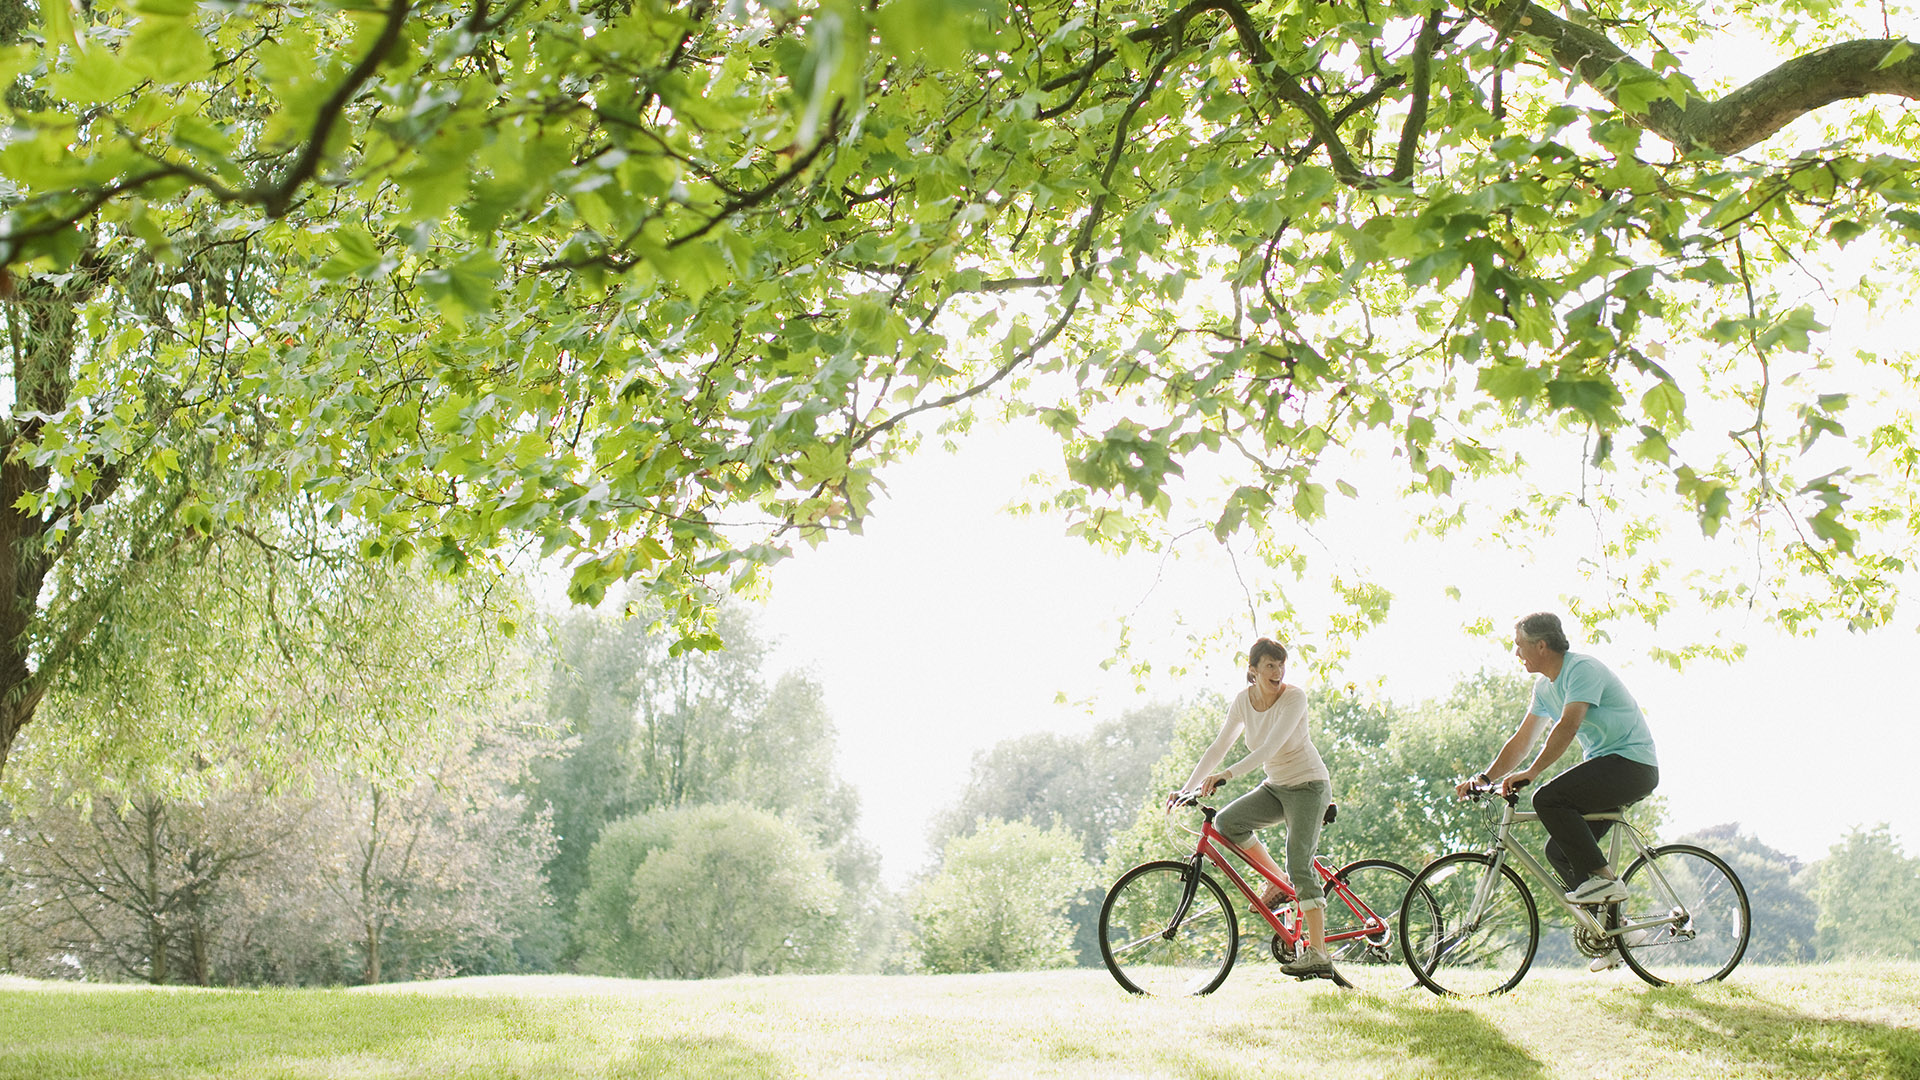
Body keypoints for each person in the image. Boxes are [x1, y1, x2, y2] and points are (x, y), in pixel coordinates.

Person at [1457, 611, 1660, 971]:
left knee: (1548, 798)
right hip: (1607, 765)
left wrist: (1533, 773)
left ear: (1541, 644)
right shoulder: (1545, 688)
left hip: (1632, 765)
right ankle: (1617, 934)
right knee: (1560, 851)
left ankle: (1607, 883)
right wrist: (1485, 779)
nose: (1516, 654)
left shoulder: (1581, 670)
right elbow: (1522, 740)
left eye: (1519, 646)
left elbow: (1567, 727)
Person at [1181, 637, 1334, 978]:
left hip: (1309, 786)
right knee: (1227, 822)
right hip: (1276, 787)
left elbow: (1269, 747)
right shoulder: (1243, 702)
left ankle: (1320, 953)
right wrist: (1186, 789)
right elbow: (1219, 745)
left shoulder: (1294, 698)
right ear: (1253, 670)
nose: (1277, 672)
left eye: (1281, 665)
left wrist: (1227, 775)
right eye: (1270, 665)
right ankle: (1278, 882)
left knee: (1300, 861)